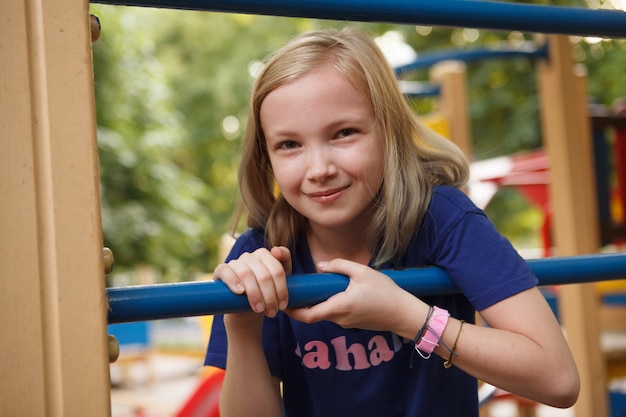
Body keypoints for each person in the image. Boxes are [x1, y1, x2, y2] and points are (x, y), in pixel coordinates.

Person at [204, 27, 579, 417]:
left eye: (344, 133)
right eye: (289, 145)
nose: (319, 169)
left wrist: (408, 317)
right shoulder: (259, 256)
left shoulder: (443, 220)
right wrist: (243, 332)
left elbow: (558, 379)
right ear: (266, 157)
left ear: (389, 132)